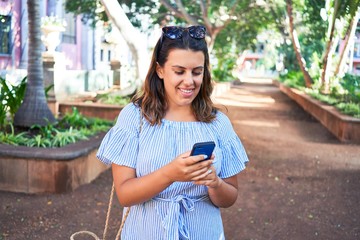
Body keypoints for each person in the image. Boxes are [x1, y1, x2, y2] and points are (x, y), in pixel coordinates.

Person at [97, 25, 249, 240]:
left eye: (197, 72)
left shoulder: (218, 123)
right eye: (179, 71)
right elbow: (125, 195)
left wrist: (215, 183)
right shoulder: (134, 118)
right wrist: (170, 174)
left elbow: (230, 197)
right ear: (160, 70)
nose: (189, 81)